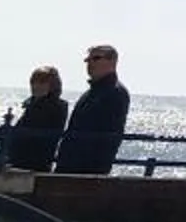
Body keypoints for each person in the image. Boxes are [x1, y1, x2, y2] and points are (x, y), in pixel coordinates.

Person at [53, 45, 130, 176]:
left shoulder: (115, 93)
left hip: (87, 168)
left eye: (96, 58)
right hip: (72, 164)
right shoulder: (93, 92)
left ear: (112, 62)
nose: (89, 63)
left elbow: (108, 135)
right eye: (88, 60)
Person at [6, 66, 70, 173]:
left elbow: (37, 135)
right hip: (21, 160)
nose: (36, 86)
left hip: (33, 163)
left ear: (52, 85)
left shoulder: (54, 107)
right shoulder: (33, 105)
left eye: (42, 82)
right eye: (33, 82)